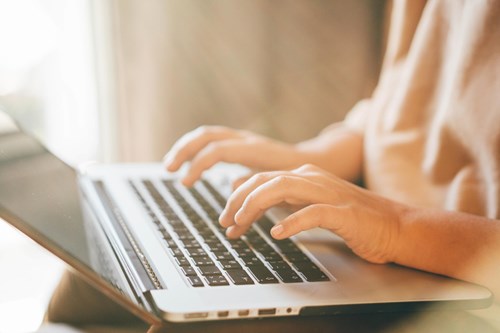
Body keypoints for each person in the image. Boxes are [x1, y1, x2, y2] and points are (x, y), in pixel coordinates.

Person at [45, 0, 500, 332]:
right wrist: (312, 157)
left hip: (464, 282)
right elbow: (397, 102)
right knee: (90, 274)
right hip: (370, 238)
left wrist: (396, 228)